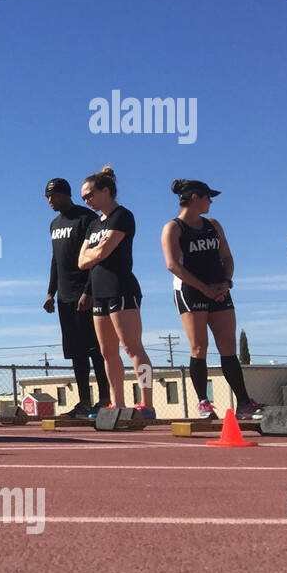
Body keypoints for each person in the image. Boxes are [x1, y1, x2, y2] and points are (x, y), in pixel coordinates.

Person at [160, 179, 262, 420]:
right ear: (195, 197)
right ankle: (203, 402)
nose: (211, 201)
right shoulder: (173, 228)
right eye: (208, 197)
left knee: (228, 348)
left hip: (219, 290)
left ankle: (244, 403)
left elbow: (227, 256)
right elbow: (172, 264)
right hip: (191, 291)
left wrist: (226, 282)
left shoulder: (213, 225)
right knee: (199, 346)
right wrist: (204, 289)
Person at [76, 166, 155, 417]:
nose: (87, 201)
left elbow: (102, 252)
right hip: (99, 291)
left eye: (90, 195)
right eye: (84, 198)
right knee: (107, 352)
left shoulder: (122, 216)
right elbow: (81, 261)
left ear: (106, 191)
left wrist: (93, 255)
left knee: (133, 348)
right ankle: (117, 403)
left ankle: (147, 404)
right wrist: (92, 256)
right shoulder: (93, 224)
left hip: (121, 288)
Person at [42, 178, 110, 417]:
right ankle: (83, 402)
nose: (50, 201)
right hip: (65, 297)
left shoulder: (87, 218)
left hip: (86, 295)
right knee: (76, 352)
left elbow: (95, 259)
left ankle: (104, 400)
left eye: (54, 196)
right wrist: (51, 292)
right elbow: (55, 260)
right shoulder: (54, 224)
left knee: (96, 350)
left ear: (65, 194)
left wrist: (88, 292)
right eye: (47, 197)